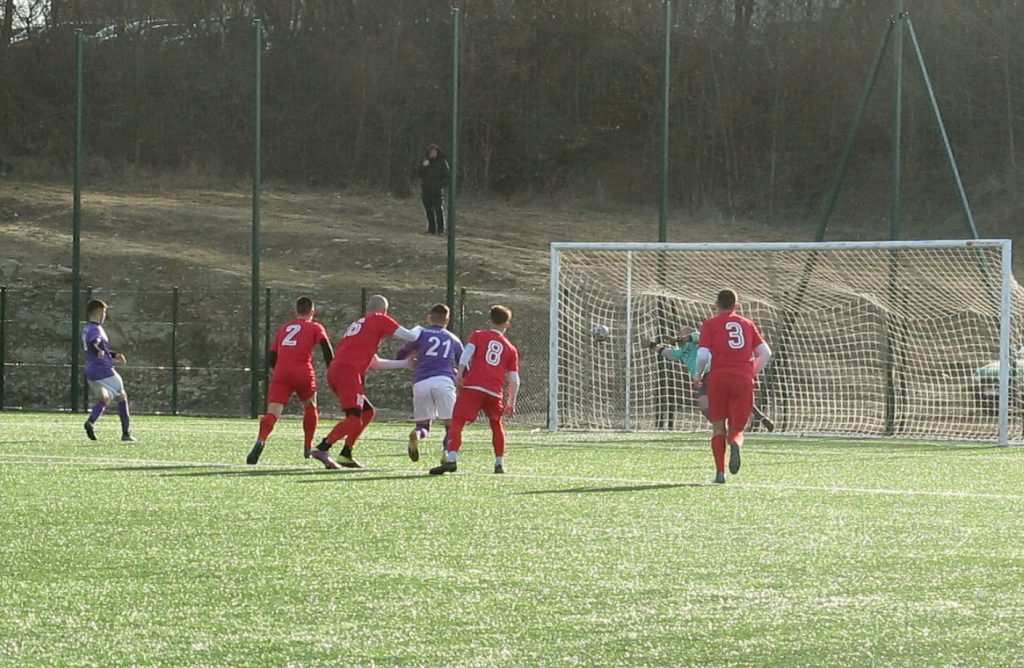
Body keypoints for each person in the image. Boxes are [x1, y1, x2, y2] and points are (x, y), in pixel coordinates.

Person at [311, 295, 419, 469]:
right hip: (348, 372)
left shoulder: (361, 325)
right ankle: (323, 448)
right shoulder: (378, 319)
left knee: (367, 412)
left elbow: (375, 362)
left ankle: (346, 453)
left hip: (337, 371)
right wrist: (422, 330)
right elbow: (411, 336)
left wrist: (406, 364)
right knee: (354, 419)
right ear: (384, 311)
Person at [692, 290, 772, 484]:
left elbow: (703, 355)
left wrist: (699, 375)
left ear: (717, 303)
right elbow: (766, 353)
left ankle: (720, 473)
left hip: (718, 378)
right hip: (743, 379)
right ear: (737, 304)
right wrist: (750, 372)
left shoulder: (710, 324)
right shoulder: (747, 324)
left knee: (718, 426)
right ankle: (735, 442)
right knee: (736, 428)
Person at [430, 305, 520, 476]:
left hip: (473, 386)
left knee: (458, 421)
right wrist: (511, 403)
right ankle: (499, 463)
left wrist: (460, 374)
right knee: (496, 424)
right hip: (494, 391)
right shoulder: (511, 349)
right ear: (507, 324)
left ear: (490, 320)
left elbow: (466, 354)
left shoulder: (479, 335)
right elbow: (514, 379)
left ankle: (452, 459)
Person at [247, 296, 334, 465]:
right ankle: (308, 447)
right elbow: (325, 346)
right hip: (303, 371)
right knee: (311, 406)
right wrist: (332, 367)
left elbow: (272, 356)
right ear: (312, 312)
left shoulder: (284, 328)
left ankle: (261, 440)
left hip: (282, 372)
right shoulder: (315, 326)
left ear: (296, 311)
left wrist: (279, 371)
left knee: (273, 412)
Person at [654, 325, 775, 431]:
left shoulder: (699, 340)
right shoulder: (682, 351)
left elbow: (696, 336)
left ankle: (759, 419)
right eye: (680, 333)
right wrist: (652, 345)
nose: (681, 334)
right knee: (704, 404)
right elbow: (669, 353)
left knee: (733, 398)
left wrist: (678, 339)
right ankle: (723, 428)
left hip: (713, 373)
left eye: (684, 333)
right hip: (700, 379)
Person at [395, 303, 464, 463]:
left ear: (429, 318)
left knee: (423, 425)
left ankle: (417, 435)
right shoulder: (454, 339)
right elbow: (463, 363)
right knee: (451, 425)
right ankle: (447, 452)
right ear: (447, 320)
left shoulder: (421, 334)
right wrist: (459, 377)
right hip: (444, 380)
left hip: (421, 381)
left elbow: (400, 354)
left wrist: (408, 359)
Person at [81, 299, 135, 442]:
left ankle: (90, 422)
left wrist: (114, 355)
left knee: (104, 398)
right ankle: (126, 434)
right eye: (104, 312)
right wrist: (98, 349)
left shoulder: (86, 328)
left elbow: (98, 347)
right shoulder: (96, 329)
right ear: (99, 312)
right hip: (103, 369)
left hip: (90, 370)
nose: (105, 315)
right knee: (122, 396)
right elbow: (95, 342)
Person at [416, 144, 450, 235]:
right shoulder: (425, 162)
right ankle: (431, 229)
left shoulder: (442, 162)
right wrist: (423, 166)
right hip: (426, 190)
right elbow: (419, 174)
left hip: (437, 190)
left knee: (438, 209)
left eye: (434, 152)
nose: (433, 154)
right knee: (428, 210)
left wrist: (440, 185)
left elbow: (447, 177)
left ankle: (441, 229)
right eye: (431, 152)